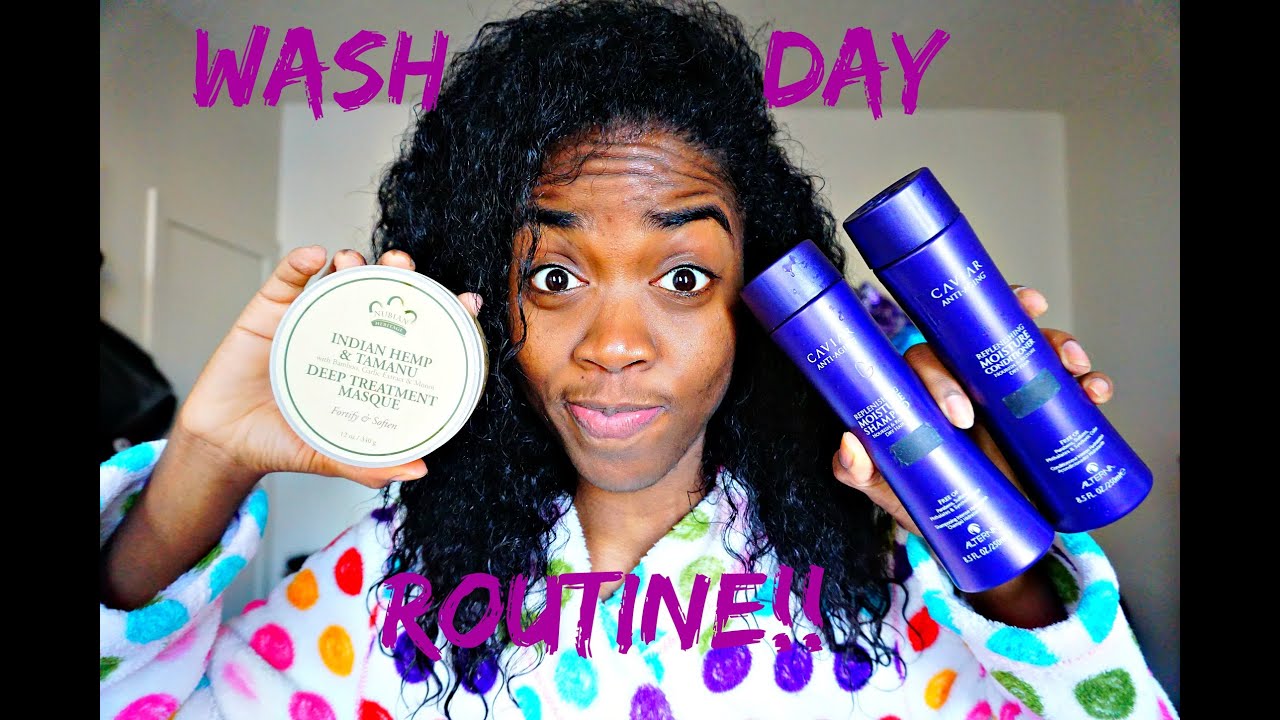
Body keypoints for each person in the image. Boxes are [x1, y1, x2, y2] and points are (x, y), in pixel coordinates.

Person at [98, 1, 1178, 718]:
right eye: (552, 276)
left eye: (684, 277)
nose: (614, 346)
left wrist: (982, 540)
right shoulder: (390, 592)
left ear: (759, 306)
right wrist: (207, 456)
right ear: (487, 306)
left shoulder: (881, 586)